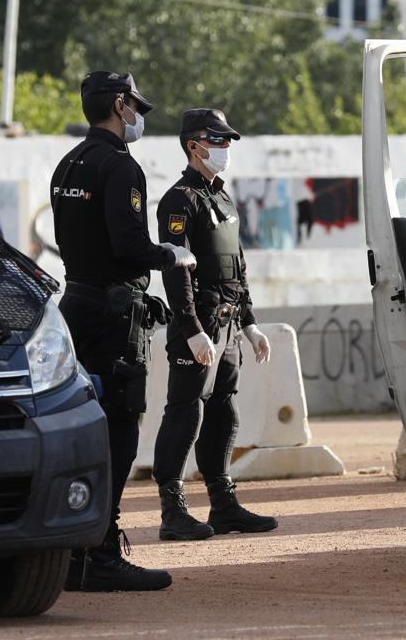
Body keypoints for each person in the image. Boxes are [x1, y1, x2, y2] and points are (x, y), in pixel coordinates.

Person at [50, 71, 197, 591]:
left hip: (76, 307)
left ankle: (71, 549)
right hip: (115, 316)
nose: (138, 116)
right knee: (119, 428)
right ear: (119, 105)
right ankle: (99, 552)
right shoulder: (119, 167)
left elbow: (66, 238)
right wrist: (174, 255)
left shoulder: (69, 162)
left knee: (83, 426)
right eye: (136, 106)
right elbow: (130, 244)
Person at [152, 108, 278, 541]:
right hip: (200, 325)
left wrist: (250, 323)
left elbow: (235, 268)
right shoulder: (178, 200)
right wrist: (190, 329)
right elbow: (176, 271)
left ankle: (223, 506)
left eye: (227, 141)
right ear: (193, 145)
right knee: (185, 412)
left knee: (223, 411)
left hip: (226, 326)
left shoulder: (222, 197)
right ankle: (173, 511)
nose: (224, 148)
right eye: (216, 140)